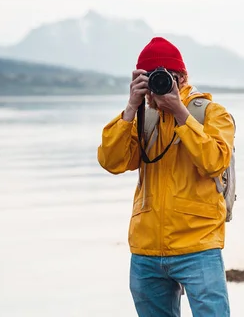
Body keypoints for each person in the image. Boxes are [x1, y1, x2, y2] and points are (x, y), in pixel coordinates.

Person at [97, 37, 235, 317]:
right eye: (150, 79)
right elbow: (110, 161)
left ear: (182, 78)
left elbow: (214, 161)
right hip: (146, 249)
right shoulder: (141, 118)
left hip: (199, 245)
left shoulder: (211, 114)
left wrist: (180, 114)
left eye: (166, 78)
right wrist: (130, 108)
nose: (158, 86)